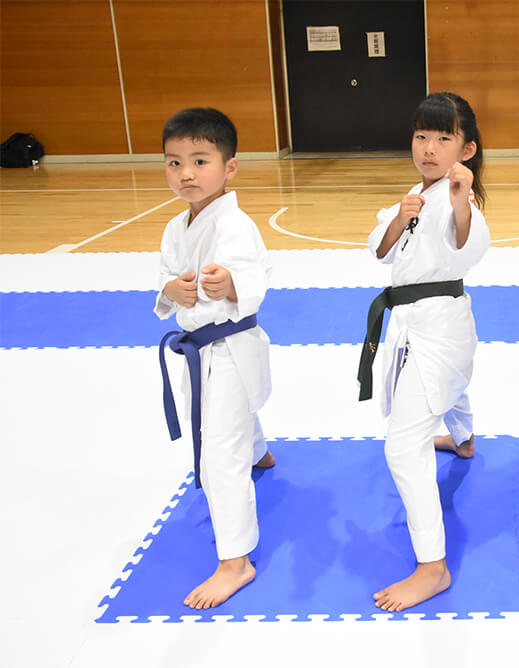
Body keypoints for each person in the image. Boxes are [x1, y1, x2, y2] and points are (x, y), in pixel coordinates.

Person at [358, 92, 489, 612]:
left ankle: (433, 567)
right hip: (417, 323)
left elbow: (468, 248)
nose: (429, 148)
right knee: (451, 388)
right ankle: (464, 439)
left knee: (401, 445)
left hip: (439, 324)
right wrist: (398, 218)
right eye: (421, 136)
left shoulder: (460, 198)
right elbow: (379, 249)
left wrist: (459, 202)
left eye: (443, 137)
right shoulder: (411, 196)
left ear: (467, 148)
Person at [155, 108, 274, 609]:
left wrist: (233, 285)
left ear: (230, 167)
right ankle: (260, 452)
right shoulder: (175, 226)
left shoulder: (236, 225)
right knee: (229, 420)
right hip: (199, 350)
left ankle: (235, 561)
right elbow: (164, 277)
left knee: (219, 454)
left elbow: (256, 275)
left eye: (199, 160)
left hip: (228, 345)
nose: (185, 173)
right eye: (174, 162)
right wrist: (169, 290)